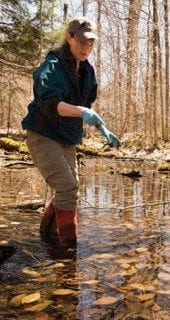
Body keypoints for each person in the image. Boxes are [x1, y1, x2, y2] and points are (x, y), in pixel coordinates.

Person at [21, 16, 121, 258]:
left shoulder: (87, 71)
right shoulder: (52, 65)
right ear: (69, 38)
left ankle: (47, 237)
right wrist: (84, 112)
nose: (86, 48)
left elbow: (87, 108)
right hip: (43, 134)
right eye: (82, 42)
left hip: (67, 137)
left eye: (91, 44)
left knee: (69, 192)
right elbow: (50, 103)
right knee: (67, 188)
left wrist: (102, 129)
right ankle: (67, 250)